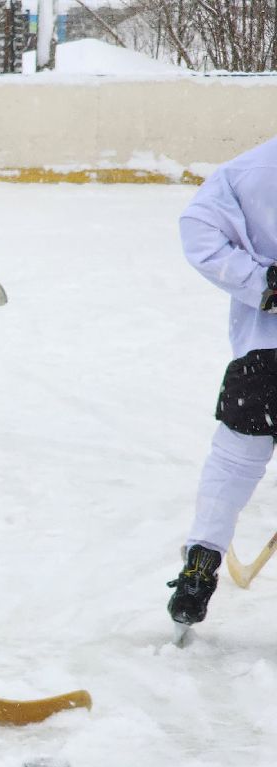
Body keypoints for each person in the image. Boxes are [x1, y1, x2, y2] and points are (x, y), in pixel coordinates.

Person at [166, 136, 277, 635]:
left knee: (234, 461)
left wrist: (264, 283)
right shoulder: (255, 170)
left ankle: (201, 563)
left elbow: (199, 230)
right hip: (265, 356)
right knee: (234, 458)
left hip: (263, 356)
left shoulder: (251, 169)